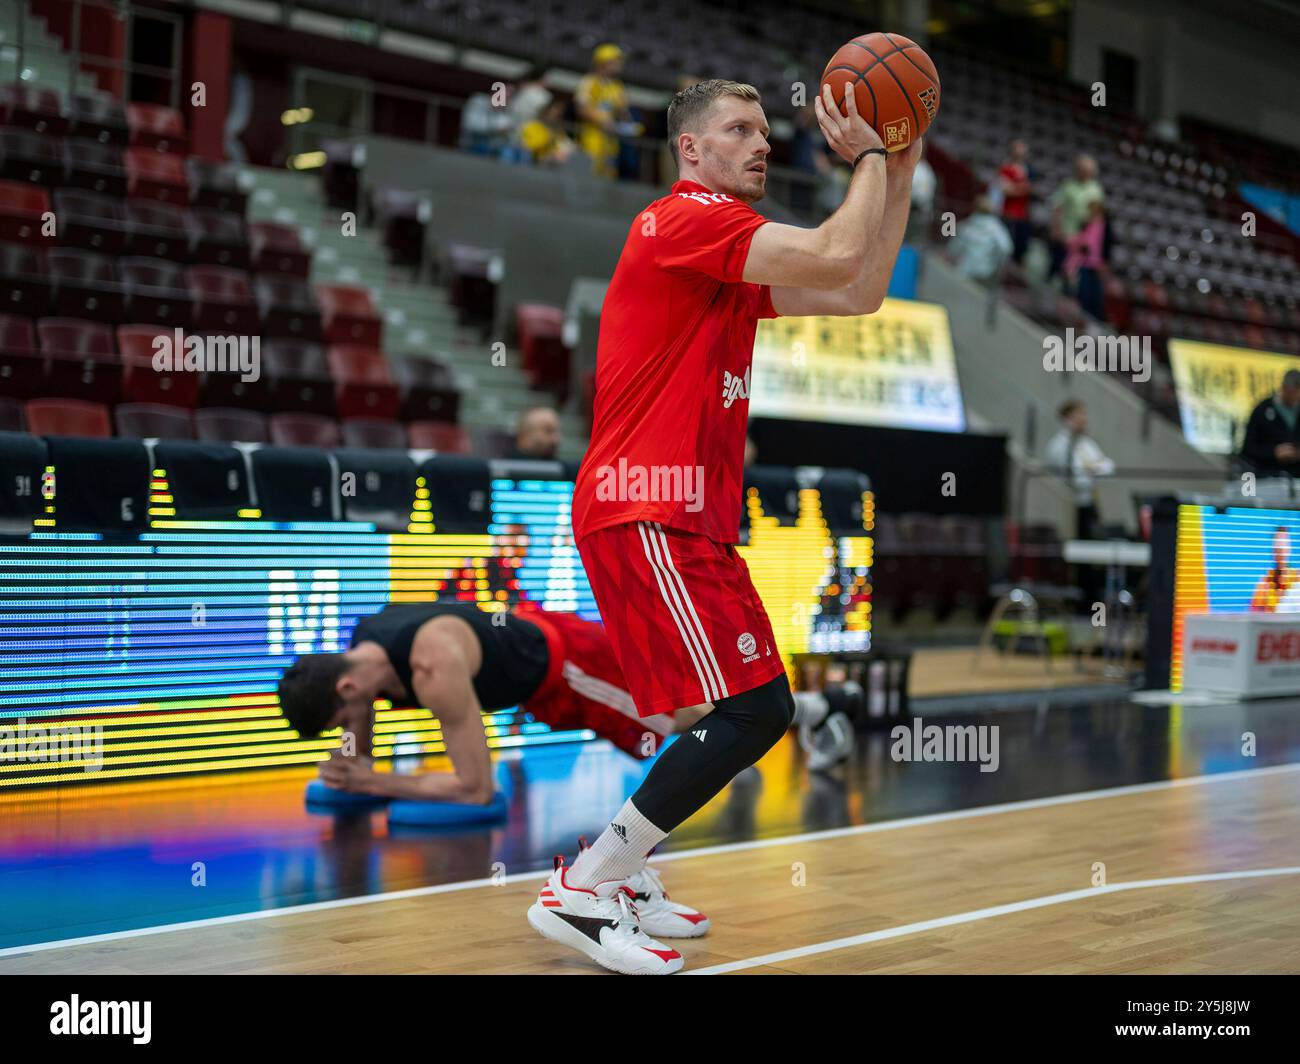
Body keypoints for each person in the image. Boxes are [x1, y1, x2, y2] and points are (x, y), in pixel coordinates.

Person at [532, 77, 916, 974]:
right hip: (650, 508)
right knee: (759, 708)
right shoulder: (685, 219)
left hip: (671, 516)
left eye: (765, 129)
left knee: (710, 711)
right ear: (690, 150)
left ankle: (615, 874)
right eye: (739, 129)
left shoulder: (721, 258)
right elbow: (831, 247)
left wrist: (899, 165)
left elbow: (858, 290)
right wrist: (867, 156)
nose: (762, 143)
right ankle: (587, 885)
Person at [276, 601, 713, 938]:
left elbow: (476, 789)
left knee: (675, 714)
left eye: (342, 723)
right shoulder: (364, 644)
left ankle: (753, 723)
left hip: (569, 665)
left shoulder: (433, 670)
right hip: (531, 643)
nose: (349, 729)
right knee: (674, 705)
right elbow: (358, 718)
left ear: (347, 686)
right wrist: (354, 761)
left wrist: (371, 780)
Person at [1044, 399, 1114, 540]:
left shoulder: (1087, 443)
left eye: (1085, 414)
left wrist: (1092, 470)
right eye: (1080, 414)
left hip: (1090, 504)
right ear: (1068, 418)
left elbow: (1109, 467)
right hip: (1071, 507)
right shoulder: (1058, 446)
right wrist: (1094, 470)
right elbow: (1076, 480)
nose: (1084, 419)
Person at [574, 44, 639, 179]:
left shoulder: (618, 87)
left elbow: (623, 113)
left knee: (608, 177)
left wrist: (628, 123)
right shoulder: (590, 82)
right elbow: (581, 108)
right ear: (603, 62)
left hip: (611, 142)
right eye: (616, 60)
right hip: (591, 138)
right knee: (589, 177)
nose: (619, 64)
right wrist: (603, 120)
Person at [1049, 154, 1103, 279]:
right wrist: (1055, 229)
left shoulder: (1096, 189)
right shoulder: (1067, 185)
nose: (1085, 172)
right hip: (1064, 235)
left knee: (1071, 273)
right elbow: (1057, 208)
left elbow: (1097, 216)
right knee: (1056, 268)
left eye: (1088, 170)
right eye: (1082, 169)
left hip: (1081, 239)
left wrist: (1090, 239)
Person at [1240, 369, 1300, 477]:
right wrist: (1274, 452)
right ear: (1284, 388)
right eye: (1292, 392)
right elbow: (1247, 449)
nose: (1295, 397)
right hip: (1268, 477)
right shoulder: (1262, 410)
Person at [950, 194, 1012, 285]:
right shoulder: (997, 229)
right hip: (985, 271)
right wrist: (996, 264)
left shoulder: (966, 225)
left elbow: (954, 248)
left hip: (967, 271)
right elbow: (1006, 249)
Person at [1063, 198, 1108, 320]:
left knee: (1087, 295)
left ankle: (1086, 320)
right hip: (1085, 263)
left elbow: (1088, 245)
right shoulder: (1090, 225)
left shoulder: (1098, 225)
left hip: (1089, 264)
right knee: (1082, 294)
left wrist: (1072, 241)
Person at [998, 139, 1034, 263]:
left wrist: (1019, 188)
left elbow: (1031, 189)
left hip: (1023, 215)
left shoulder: (1028, 170)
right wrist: (1023, 189)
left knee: (1020, 248)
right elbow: (1006, 190)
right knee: (1006, 244)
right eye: (1018, 147)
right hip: (1009, 214)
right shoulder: (1006, 167)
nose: (1021, 151)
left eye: (1023, 147)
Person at [1250, 526, 1300, 612]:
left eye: (1284, 544)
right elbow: (1255, 613)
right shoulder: (1264, 583)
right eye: (1277, 544)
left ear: (1289, 548)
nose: (1280, 548)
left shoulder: (1297, 579)